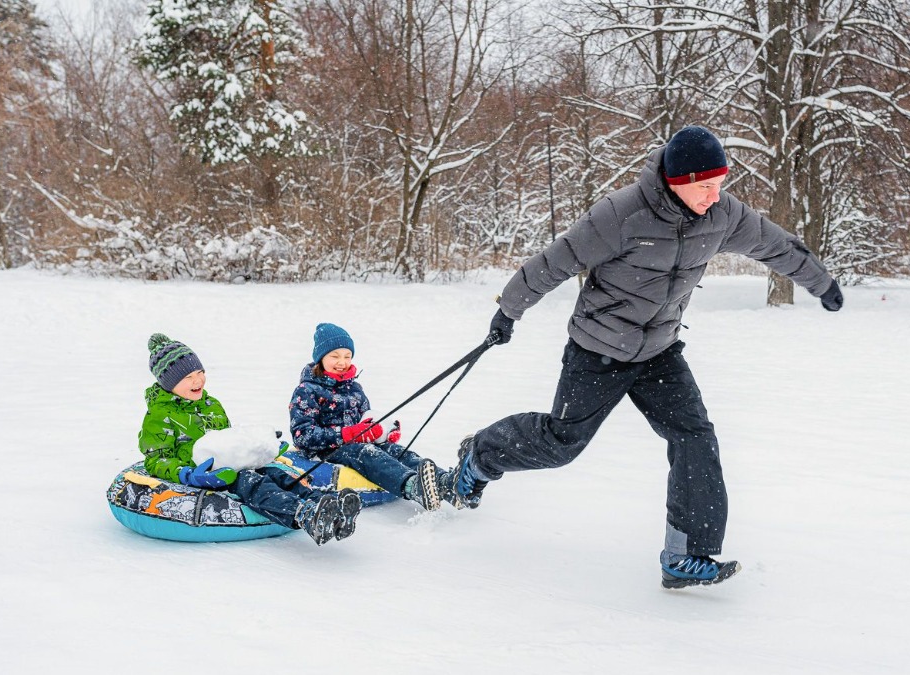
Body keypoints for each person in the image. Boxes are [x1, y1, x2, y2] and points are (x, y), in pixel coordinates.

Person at [443, 125, 845, 589]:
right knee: (561, 443)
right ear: (676, 179)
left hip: (659, 351)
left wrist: (823, 283)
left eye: (720, 185)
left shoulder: (723, 215)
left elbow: (778, 246)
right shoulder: (621, 214)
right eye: (705, 186)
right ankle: (480, 456)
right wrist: (507, 312)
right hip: (597, 350)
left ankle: (684, 555)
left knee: (695, 435)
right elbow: (553, 262)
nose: (715, 196)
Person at [138, 333, 361, 545]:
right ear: (169, 383)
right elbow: (156, 458)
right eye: (188, 377)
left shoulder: (210, 404)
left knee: (275, 473)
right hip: (205, 473)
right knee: (251, 482)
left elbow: (228, 437)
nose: (198, 380)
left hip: (229, 463)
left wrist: (262, 448)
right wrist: (186, 474)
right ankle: (304, 515)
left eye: (200, 372)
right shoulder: (159, 416)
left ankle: (325, 506)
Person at [289, 323, 460, 511]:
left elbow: (366, 420)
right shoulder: (307, 391)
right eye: (334, 356)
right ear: (321, 358)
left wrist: (384, 432)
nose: (342, 362)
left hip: (355, 444)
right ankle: (413, 487)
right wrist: (348, 434)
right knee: (366, 453)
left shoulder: (354, 388)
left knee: (396, 451)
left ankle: (445, 482)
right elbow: (302, 436)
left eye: (347, 356)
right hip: (326, 451)